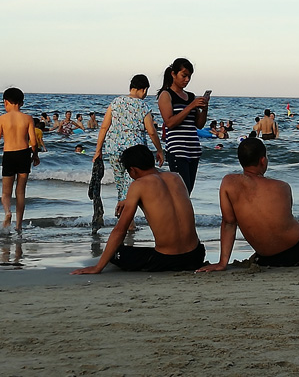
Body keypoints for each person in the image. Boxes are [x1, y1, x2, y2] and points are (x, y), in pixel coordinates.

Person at [71, 145, 204, 274]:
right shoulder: (176, 177)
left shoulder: (138, 185)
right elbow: (165, 199)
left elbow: (120, 230)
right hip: (196, 256)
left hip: (167, 260)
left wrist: (98, 267)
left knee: (116, 253)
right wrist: (129, 201)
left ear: (133, 170)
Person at [197, 138, 299, 271]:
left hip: (267, 258)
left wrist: (222, 262)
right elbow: (284, 219)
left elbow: (229, 223)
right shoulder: (282, 186)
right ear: (263, 160)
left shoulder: (228, 183)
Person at [94, 74, 165, 216]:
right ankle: (127, 221)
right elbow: (151, 131)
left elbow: (104, 128)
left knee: (121, 186)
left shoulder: (115, 102)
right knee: (132, 187)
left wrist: (98, 150)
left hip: (114, 149)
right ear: (144, 90)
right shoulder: (142, 105)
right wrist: (159, 150)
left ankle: (125, 218)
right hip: (135, 153)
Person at [157, 58, 209, 194]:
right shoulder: (166, 95)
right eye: (184, 76)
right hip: (177, 150)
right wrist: (191, 106)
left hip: (193, 149)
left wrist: (204, 108)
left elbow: (199, 124)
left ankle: (179, 215)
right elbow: (170, 122)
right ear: (173, 74)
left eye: (189, 77)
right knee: (181, 191)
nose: (186, 80)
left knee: (188, 191)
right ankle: (175, 215)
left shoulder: (190, 96)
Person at [1, 88, 40, 231]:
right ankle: (18, 226)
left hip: (9, 154)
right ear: (21, 103)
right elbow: (34, 142)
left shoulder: (2, 119)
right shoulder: (28, 118)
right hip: (24, 153)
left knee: (6, 192)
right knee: (20, 191)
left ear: (6, 102)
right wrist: (35, 155)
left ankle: (7, 212)